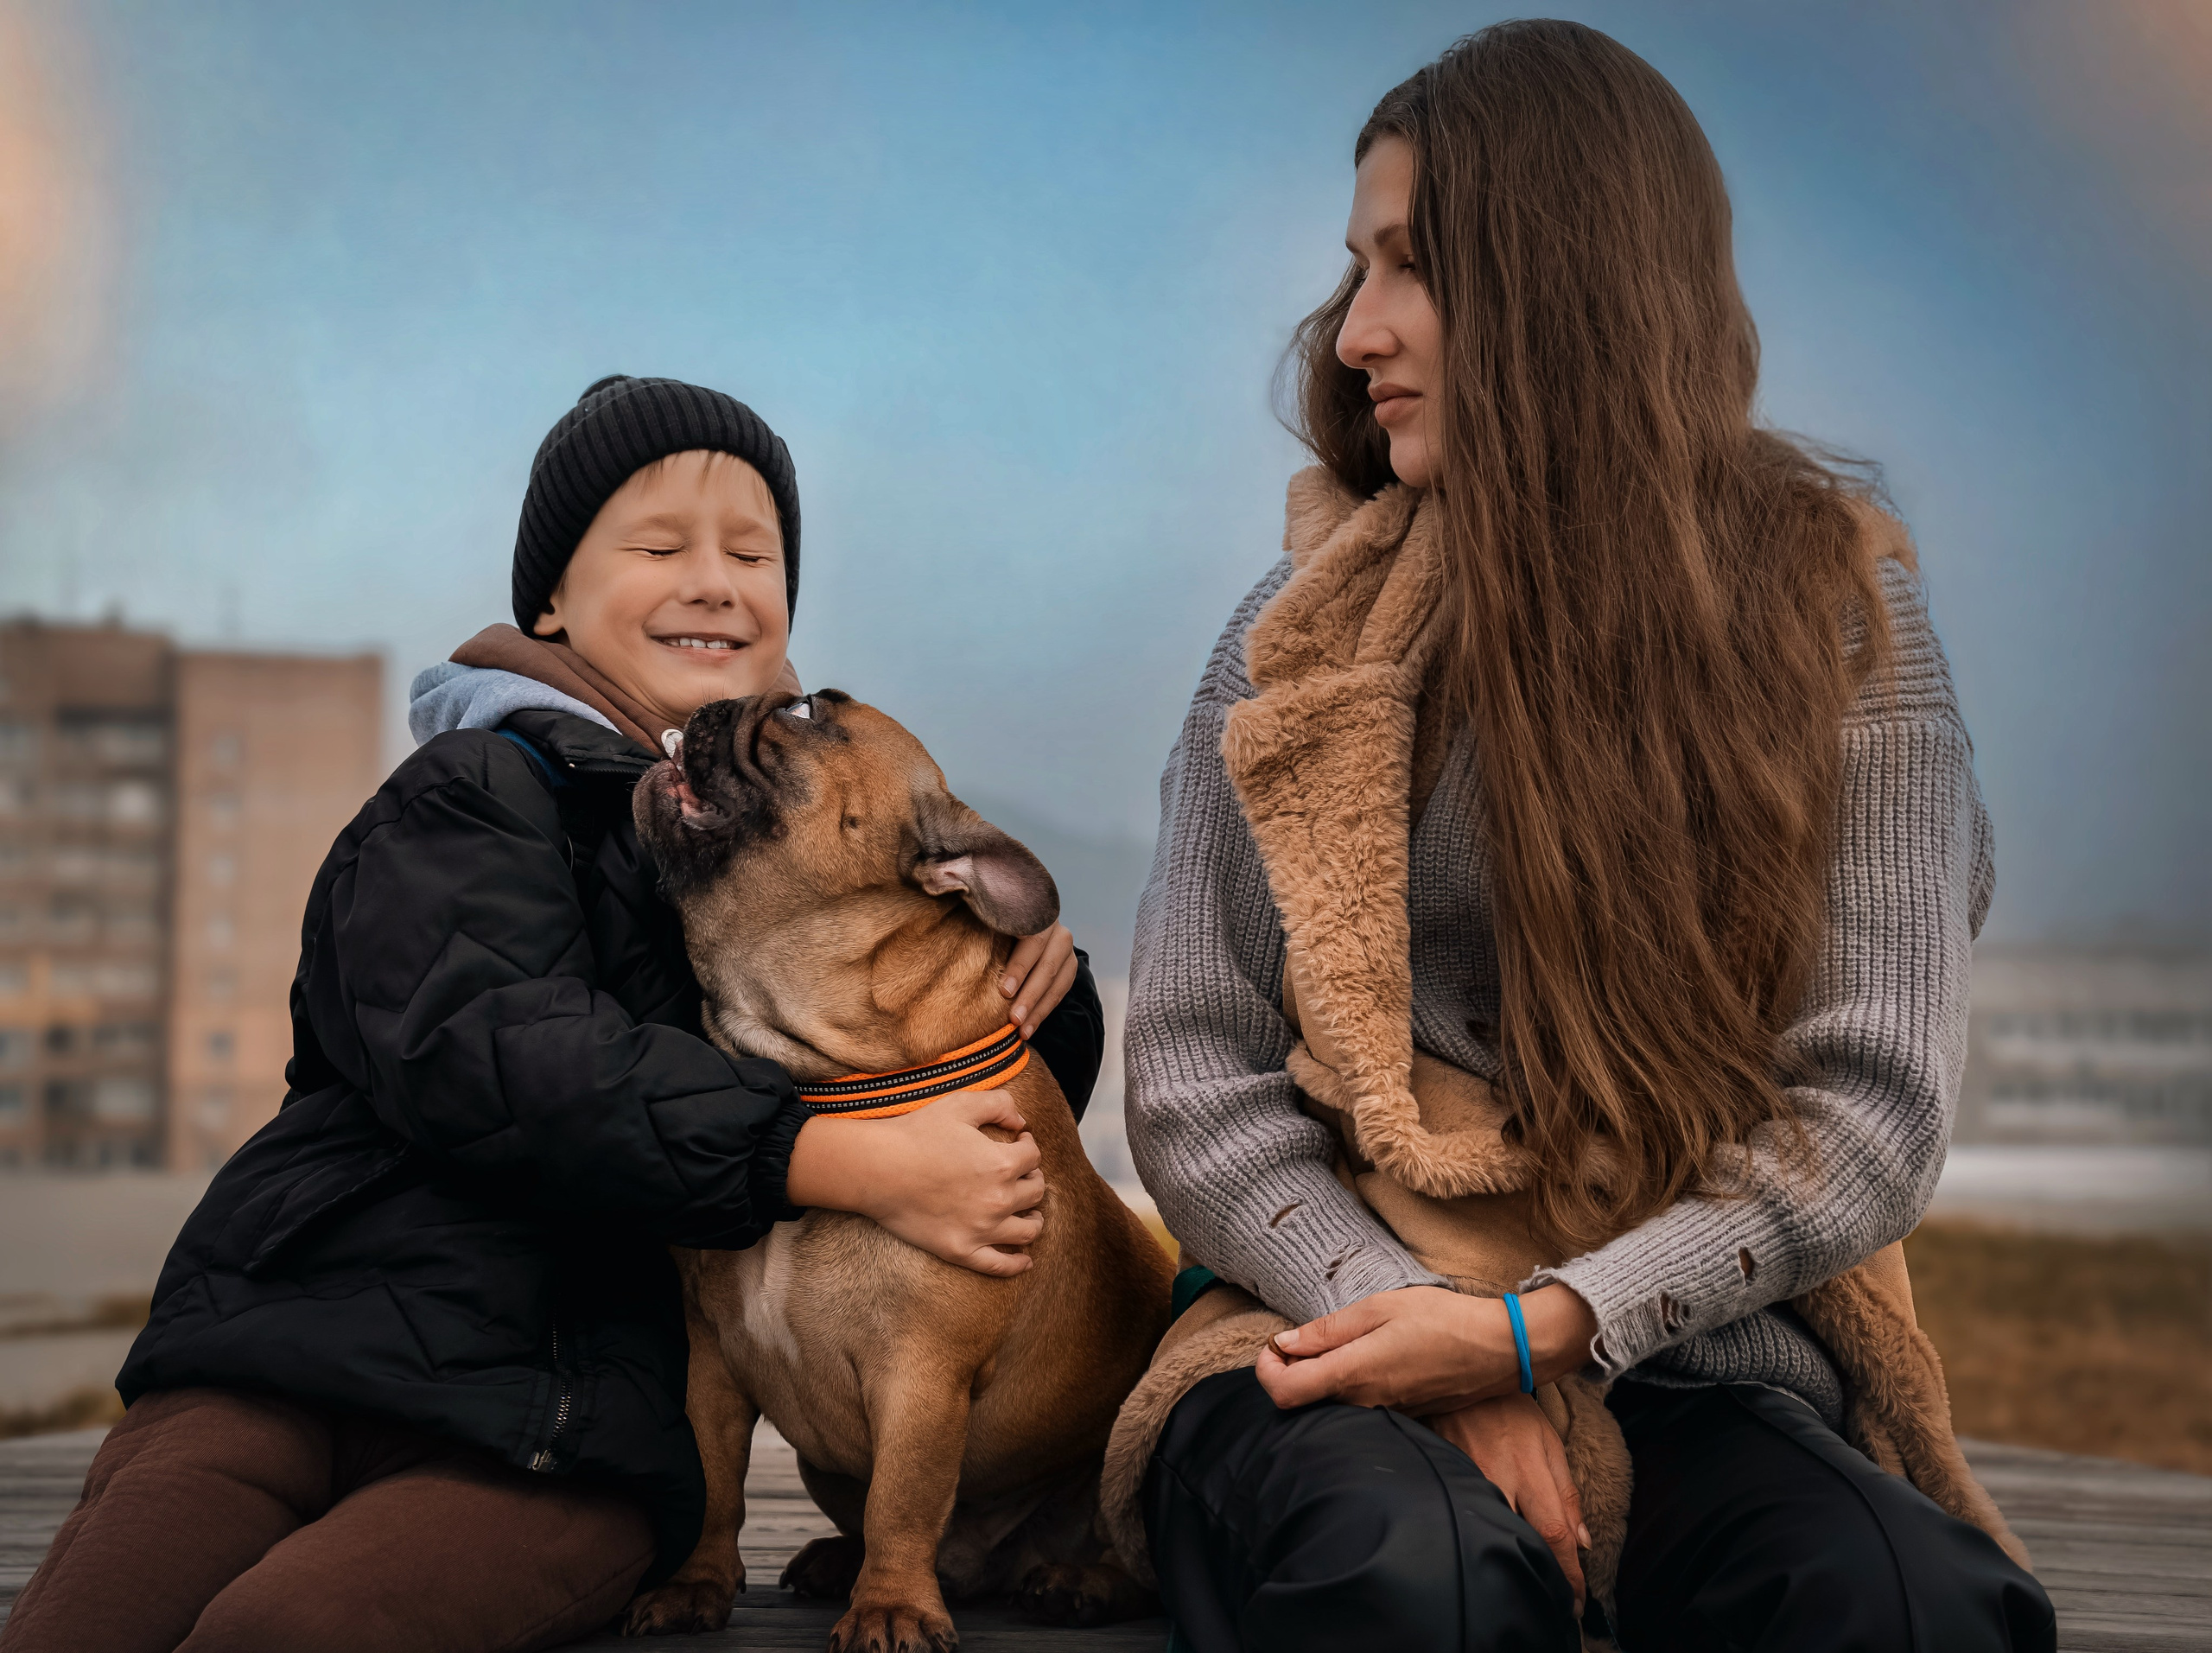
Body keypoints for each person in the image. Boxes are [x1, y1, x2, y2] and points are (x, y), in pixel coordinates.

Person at [1119, 23, 2056, 1653]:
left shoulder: (1841, 628)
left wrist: (1546, 1332)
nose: (1354, 334)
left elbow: (1871, 1105)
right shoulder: (1292, 650)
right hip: (1325, 1320)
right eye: (1356, 272)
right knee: (1416, 1591)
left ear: (1565, 282)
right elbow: (1193, 1077)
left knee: (1911, 1609)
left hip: (1689, 1340)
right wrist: (1420, 1335)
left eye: (1410, 268)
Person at [1, 376, 1103, 1653]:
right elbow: (491, 1049)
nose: (713, 578)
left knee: (287, 1632)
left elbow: (945, 1086)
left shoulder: (798, 859)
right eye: (657, 545)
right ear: (550, 604)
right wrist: (811, 1153)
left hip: (565, 1432)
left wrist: (1033, 971)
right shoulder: (472, 792)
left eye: (754, 554)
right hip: (289, 1358)